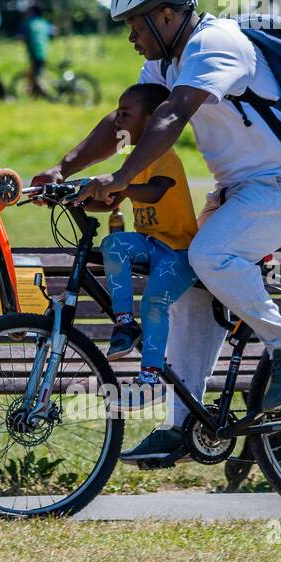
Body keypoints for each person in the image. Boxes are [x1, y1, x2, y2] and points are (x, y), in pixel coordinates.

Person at [34, 0, 281, 465]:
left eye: (135, 24)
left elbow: (172, 117)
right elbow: (128, 119)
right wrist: (62, 167)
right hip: (241, 189)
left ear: (168, 16)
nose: (130, 36)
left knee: (210, 256)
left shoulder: (215, 45)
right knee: (191, 288)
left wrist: (122, 179)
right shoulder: (166, 62)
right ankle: (184, 426)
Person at [98, 84, 199, 392]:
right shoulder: (133, 163)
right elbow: (107, 200)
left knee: (154, 303)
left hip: (178, 253)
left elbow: (154, 192)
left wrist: (118, 185)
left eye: (125, 113)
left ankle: (150, 379)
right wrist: (78, 193)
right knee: (113, 244)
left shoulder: (165, 158)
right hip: (152, 245)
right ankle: (125, 324)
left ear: (151, 119)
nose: (117, 119)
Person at [19, 0, 54, 98]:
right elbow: (53, 33)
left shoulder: (28, 22)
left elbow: (22, 37)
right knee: (35, 73)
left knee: (36, 76)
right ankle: (34, 94)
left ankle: (48, 95)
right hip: (43, 51)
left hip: (34, 52)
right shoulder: (44, 22)